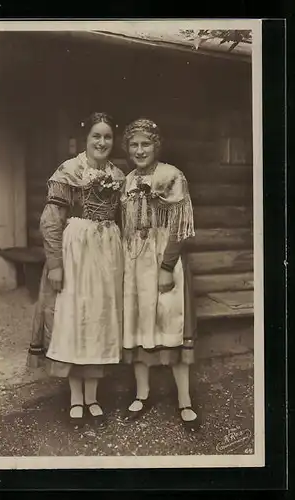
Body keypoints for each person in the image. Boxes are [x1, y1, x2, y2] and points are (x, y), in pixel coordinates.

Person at [27, 112, 125, 427]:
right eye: (96, 136)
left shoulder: (118, 175)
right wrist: (55, 264)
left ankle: (93, 396)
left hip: (106, 252)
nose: (102, 142)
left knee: (98, 319)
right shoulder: (69, 171)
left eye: (107, 137)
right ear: (86, 138)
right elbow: (51, 222)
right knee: (74, 318)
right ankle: (75, 398)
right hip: (76, 253)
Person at [121, 118, 199, 431]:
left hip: (164, 260)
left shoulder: (171, 176)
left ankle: (184, 399)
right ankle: (142, 393)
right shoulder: (127, 181)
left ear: (157, 145)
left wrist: (167, 267)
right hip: (136, 263)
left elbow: (179, 228)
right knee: (140, 322)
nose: (140, 150)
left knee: (171, 323)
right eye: (134, 145)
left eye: (146, 144)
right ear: (127, 149)